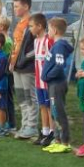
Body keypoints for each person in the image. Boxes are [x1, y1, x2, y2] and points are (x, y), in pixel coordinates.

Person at [41, 17, 74, 153]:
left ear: (54, 30)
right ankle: (57, 139)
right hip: (52, 84)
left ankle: (65, 142)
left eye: (49, 29)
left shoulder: (59, 45)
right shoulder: (55, 45)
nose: (48, 32)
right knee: (54, 112)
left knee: (59, 112)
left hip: (57, 84)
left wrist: (48, 76)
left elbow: (60, 65)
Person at [10, 0, 39, 140]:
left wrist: (26, 58)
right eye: (14, 6)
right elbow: (16, 45)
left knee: (30, 97)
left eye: (17, 6)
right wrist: (12, 61)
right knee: (21, 97)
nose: (14, 9)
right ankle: (25, 124)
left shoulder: (32, 24)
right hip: (17, 66)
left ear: (26, 6)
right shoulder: (19, 24)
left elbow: (36, 46)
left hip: (27, 67)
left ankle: (32, 126)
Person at [30, 13, 54, 146]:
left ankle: (52, 131)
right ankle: (44, 131)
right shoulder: (36, 41)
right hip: (38, 81)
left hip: (47, 81)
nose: (30, 29)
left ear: (39, 26)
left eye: (32, 26)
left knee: (49, 106)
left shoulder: (48, 40)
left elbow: (52, 59)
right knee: (42, 105)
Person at [0, 15, 17, 132]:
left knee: (7, 98)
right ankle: (5, 121)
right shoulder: (4, 40)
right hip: (3, 73)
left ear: (2, 27)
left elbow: (6, 59)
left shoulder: (6, 42)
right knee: (5, 98)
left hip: (6, 74)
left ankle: (11, 123)